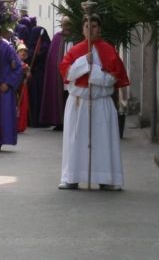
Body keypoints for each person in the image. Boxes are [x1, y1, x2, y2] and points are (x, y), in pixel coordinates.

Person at [58, 14, 129, 191]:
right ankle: (71, 177)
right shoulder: (74, 51)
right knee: (75, 142)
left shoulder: (109, 50)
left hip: (101, 102)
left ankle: (106, 178)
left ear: (100, 28)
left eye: (95, 26)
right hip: (79, 103)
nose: (91, 29)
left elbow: (113, 78)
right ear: (83, 29)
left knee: (103, 142)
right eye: (87, 26)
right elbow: (67, 74)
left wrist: (92, 72)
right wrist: (83, 62)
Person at [40, 16, 73, 131]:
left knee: (69, 97)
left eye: (68, 24)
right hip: (58, 75)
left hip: (72, 74)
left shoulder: (75, 38)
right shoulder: (57, 37)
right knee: (59, 97)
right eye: (64, 24)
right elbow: (52, 58)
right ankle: (59, 122)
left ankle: (69, 122)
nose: (66, 27)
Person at [26, 24, 51, 127]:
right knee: (35, 97)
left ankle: (41, 120)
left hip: (41, 75)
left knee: (39, 97)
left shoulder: (45, 46)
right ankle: (34, 120)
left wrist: (38, 54)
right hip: (35, 75)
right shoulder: (33, 45)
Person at [15, 41, 30, 133]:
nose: (23, 53)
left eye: (25, 51)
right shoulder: (15, 63)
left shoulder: (25, 64)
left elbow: (28, 75)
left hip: (23, 87)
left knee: (23, 105)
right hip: (16, 87)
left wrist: (27, 73)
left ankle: (20, 125)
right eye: (21, 51)